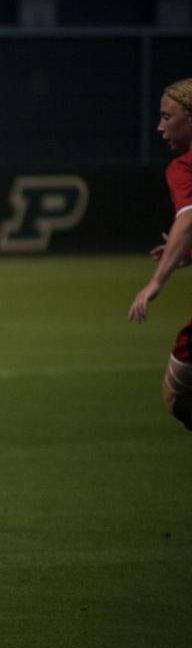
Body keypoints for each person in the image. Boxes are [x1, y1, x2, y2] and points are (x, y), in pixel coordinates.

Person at [128, 78, 192, 432]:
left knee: (173, 395)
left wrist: (156, 281)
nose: (160, 126)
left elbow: (188, 218)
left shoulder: (183, 167)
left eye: (167, 117)